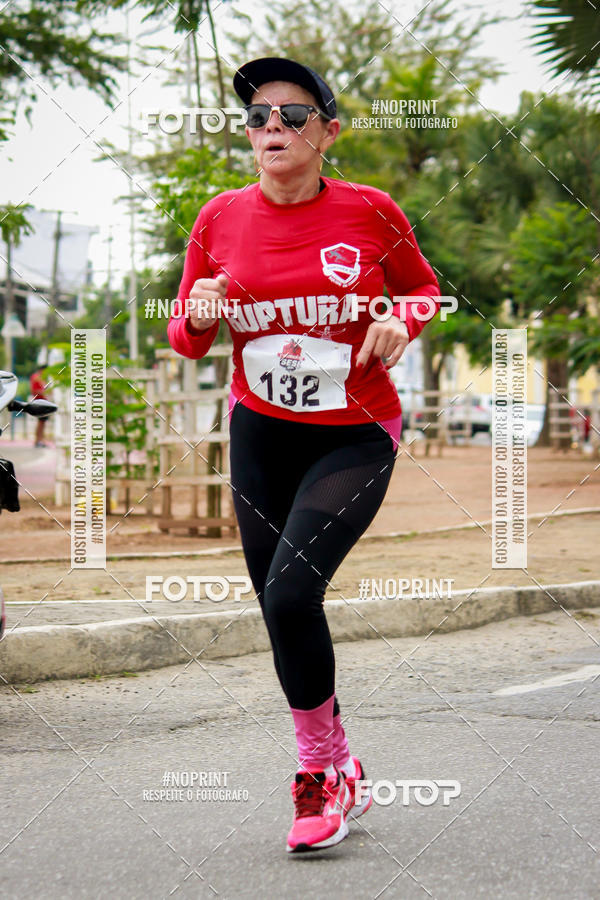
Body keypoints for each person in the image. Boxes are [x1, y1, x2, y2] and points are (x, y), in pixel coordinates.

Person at [168, 57, 441, 853]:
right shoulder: (217, 218)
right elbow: (187, 341)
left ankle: (320, 775)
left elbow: (423, 289)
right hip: (259, 434)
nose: (271, 129)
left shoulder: (370, 212)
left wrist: (402, 320)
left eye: (291, 115)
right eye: (257, 117)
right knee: (281, 606)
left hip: (354, 434)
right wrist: (201, 309)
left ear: (328, 131)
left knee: (291, 595)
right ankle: (341, 759)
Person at [29, 367, 49, 447]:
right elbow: (33, 391)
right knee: (40, 422)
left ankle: (40, 440)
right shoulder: (36, 377)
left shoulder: (41, 378)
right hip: (39, 402)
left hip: (43, 402)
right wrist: (44, 392)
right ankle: (38, 440)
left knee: (42, 422)